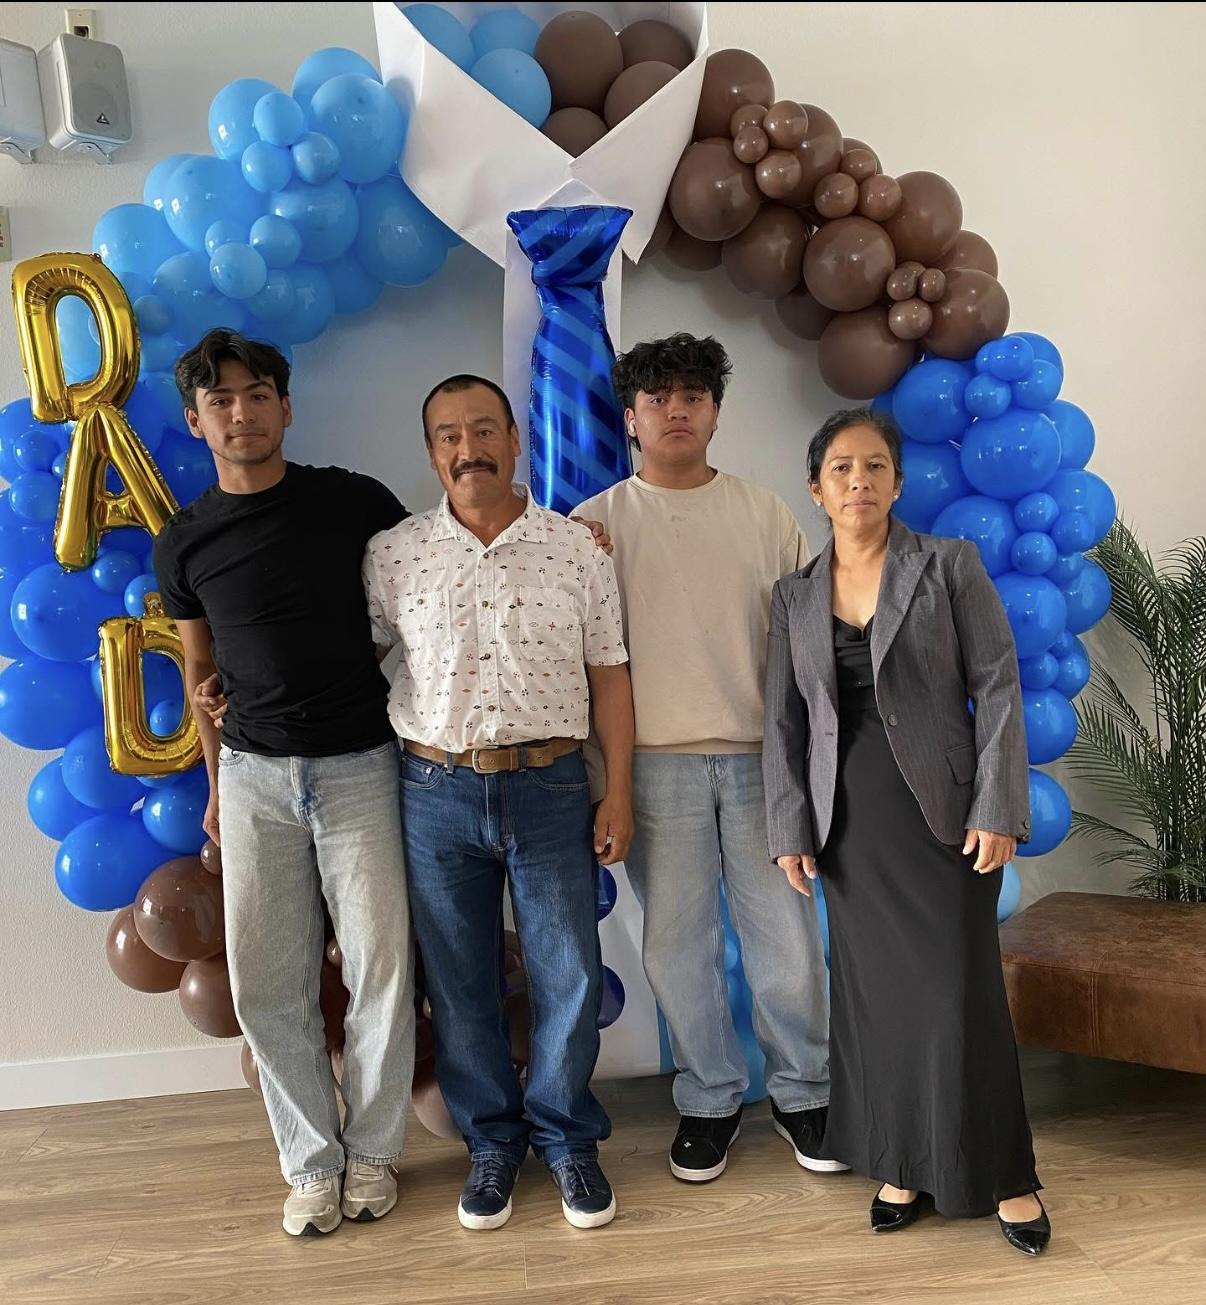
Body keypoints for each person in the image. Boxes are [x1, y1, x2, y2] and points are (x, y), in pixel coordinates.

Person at [762, 407, 1050, 1255]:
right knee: (876, 1000)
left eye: (875, 466)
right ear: (816, 489)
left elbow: (997, 684)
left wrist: (998, 805)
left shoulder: (948, 564)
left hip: (946, 817)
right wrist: (789, 826)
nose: (859, 480)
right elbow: (782, 721)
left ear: (896, 482)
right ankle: (901, 1162)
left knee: (962, 995)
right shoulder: (793, 594)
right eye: (841, 468)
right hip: (848, 823)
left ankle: (1007, 1175)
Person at [152, 329, 415, 1238]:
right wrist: (215, 786)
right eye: (220, 400)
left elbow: (428, 589)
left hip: (361, 766)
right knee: (268, 982)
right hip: (254, 777)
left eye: (257, 394)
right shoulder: (184, 541)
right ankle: (311, 1163)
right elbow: (200, 672)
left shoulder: (355, 502)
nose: (241, 412)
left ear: (287, 406)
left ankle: (373, 1152)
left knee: (381, 969)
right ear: (197, 420)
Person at [363, 374, 635, 1232]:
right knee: (459, 980)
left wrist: (618, 791)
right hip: (433, 790)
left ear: (516, 440)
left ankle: (567, 1136)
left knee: (568, 971)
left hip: (552, 785)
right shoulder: (393, 554)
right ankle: (491, 1142)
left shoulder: (577, 548)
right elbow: (352, 664)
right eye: (448, 434)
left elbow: (611, 675)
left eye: (484, 429)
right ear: (430, 451)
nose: (467, 448)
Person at [575, 334, 839, 1185]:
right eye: (657, 398)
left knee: (787, 941)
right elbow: (583, 664)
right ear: (630, 418)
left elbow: (811, 648)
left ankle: (805, 1092)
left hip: (763, 759)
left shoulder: (765, 514)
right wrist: (608, 782)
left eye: (693, 395)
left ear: (717, 412)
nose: (676, 410)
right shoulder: (593, 527)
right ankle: (710, 1097)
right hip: (653, 767)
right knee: (676, 948)